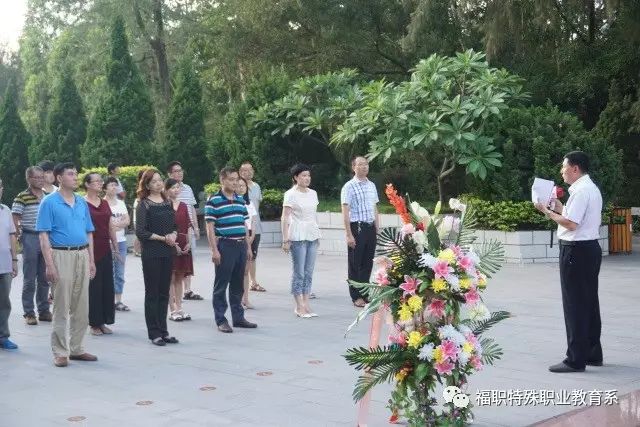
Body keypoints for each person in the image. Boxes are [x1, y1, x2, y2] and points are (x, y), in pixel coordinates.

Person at [534, 151, 604, 373]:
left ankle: (575, 359)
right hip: (589, 249)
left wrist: (546, 211)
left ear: (575, 168)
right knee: (589, 302)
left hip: (575, 251)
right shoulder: (589, 188)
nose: (561, 171)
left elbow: (571, 224)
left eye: (564, 167)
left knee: (575, 304)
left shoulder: (581, 191)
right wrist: (557, 207)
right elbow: (573, 216)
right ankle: (592, 352)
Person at [36, 162, 97, 367]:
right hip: (61, 255)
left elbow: (89, 232)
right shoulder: (49, 202)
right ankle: (60, 352)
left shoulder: (81, 202)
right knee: (61, 306)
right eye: (71, 174)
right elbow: (43, 235)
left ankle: (77, 348)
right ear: (59, 178)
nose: (75, 177)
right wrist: (49, 265)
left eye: (76, 173)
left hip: (82, 254)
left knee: (82, 306)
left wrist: (91, 260)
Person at [205, 167, 257, 333]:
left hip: (241, 245)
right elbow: (210, 228)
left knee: (237, 284)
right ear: (222, 180)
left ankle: (238, 318)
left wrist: (248, 247)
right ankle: (221, 320)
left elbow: (244, 225)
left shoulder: (240, 200)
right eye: (231, 179)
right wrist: (214, 250)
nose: (235, 183)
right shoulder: (213, 201)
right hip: (225, 245)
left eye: (236, 179)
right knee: (221, 285)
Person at [135, 169, 179, 346]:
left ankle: (164, 331)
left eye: (160, 180)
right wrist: (163, 238)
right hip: (152, 252)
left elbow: (175, 225)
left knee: (164, 292)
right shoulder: (144, 204)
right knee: (152, 293)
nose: (158, 183)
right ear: (147, 185)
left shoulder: (167, 202)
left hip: (167, 251)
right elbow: (141, 231)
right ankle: (154, 333)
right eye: (153, 181)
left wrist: (174, 235)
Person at [12, 166, 51, 325]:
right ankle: (29, 313)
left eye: (42, 177)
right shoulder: (22, 197)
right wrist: (18, 235)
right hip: (30, 237)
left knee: (44, 277)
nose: (41, 180)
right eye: (37, 177)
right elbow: (15, 217)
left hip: (46, 237)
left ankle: (44, 310)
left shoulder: (48, 196)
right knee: (29, 278)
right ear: (29, 179)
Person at [281, 164, 321, 318]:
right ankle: (299, 306)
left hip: (312, 234)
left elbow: (314, 215)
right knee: (299, 272)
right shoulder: (290, 194)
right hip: (297, 235)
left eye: (308, 175)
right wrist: (285, 239)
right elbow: (285, 217)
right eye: (303, 175)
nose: (307, 178)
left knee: (309, 272)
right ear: (296, 177)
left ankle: (306, 303)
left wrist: (318, 233)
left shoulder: (313, 193)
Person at [341, 156, 380, 308]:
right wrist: (348, 234)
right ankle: (356, 296)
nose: (364, 167)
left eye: (366, 164)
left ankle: (365, 293)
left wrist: (377, 227)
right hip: (356, 228)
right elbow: (345, 211)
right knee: (355, 263)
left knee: (367, 263)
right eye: (361, 164)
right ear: (354, 167)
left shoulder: (371, 185)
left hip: (370, 228)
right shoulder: (349, 186)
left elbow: (374, 207)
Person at [83, 173, 118, 336]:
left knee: (107, 285)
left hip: (105, 247)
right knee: (93, 287)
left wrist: (115, 245)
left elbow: (110, 225)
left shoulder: (104, 203)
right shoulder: (81, 203)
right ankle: (94, 323)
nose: (100, 183)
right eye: (96, 181)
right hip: (89, 248)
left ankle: (104, 321)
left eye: (100, 181)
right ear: (87, 184)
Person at [167, 161, 203, 301]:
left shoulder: (187, 188)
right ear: (169, 174)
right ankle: (174, 291)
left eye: (180, 170)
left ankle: (187, 290)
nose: (179, 173)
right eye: (176, 171)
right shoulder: (167, 190)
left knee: (187, 258)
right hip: (173, 230)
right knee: (174, 262)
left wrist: (196, 227)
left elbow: (192, 207)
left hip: (188, 228)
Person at [165, 178, 193, 322]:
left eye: (178, 187)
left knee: (179, 278)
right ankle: (172, 310)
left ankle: (180, 308)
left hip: (183, 243)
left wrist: (188, 243)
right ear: (166, 189)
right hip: (169, 243)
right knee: (170, 278)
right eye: (173, 187)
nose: (176, 190)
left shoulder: (183, 205)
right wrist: (172, 244)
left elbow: (188, 226)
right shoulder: (164, 205)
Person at [239, 161, 266, 292]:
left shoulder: (257, 186)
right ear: (240, 172)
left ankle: (253, 282)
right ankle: (240, 282)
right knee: (241, 256)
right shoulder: (238, 186)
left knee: (253, 256)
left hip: (255, 226)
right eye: (245, 170)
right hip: (240, 227)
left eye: (250, 169)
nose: (248, 172)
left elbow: (257, 207)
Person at [104, 177, 130, 311]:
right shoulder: (102, 203)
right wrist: (112, 227)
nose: (114, 187)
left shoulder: (121, 203)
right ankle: (107, 300)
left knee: (119, 272)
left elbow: (127, 220)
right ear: (105, 188)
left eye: (115, 185)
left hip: (121, 241)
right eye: (111, 185)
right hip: (106, 242)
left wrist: (115, 226)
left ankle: (118, 300)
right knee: (108, 272)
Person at [0, 177, 19, 350]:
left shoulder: (5, 210)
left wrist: (14, 260)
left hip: (4, 264)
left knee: (4, 302)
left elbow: (12, 235)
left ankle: (3, 336)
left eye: (0, 187)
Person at [236, 177, 257, 309]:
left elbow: (253, 221)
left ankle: (246, 299)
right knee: (237, 271)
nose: (241, 188)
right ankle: (237, 299)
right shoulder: (233, 202)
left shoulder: (250, 204)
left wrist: (252, 236)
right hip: (238, 235)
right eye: (238, 185)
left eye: (243, 186)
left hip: (250, 235)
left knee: (245, 271)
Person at [132, 169, 146, 257]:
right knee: (139, 234)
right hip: (138, 208)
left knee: (139, 234)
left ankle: (137, 250)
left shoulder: (142, 184)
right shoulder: (141, 185)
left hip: (138, 207)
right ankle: (136, 250)